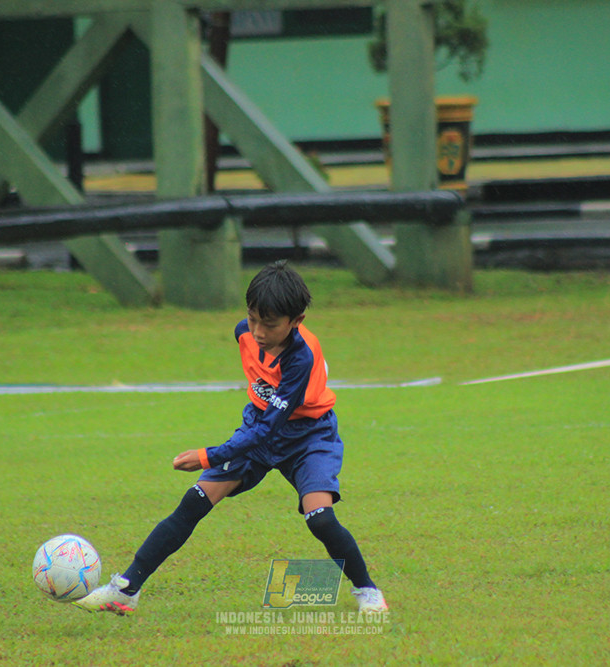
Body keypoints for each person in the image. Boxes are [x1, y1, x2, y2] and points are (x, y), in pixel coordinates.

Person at [75, 261, 388, 616]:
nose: (257, 331)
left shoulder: (301, 358)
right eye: (253, 319)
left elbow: (270, 429)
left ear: (296, 321)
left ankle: (367, 590)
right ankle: (126, 590)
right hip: (259, 426)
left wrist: (208, 455)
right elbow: (262, 419)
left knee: (320, 518)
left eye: (269, 325)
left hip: (307, 436)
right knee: (193, 502)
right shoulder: (244, 333)